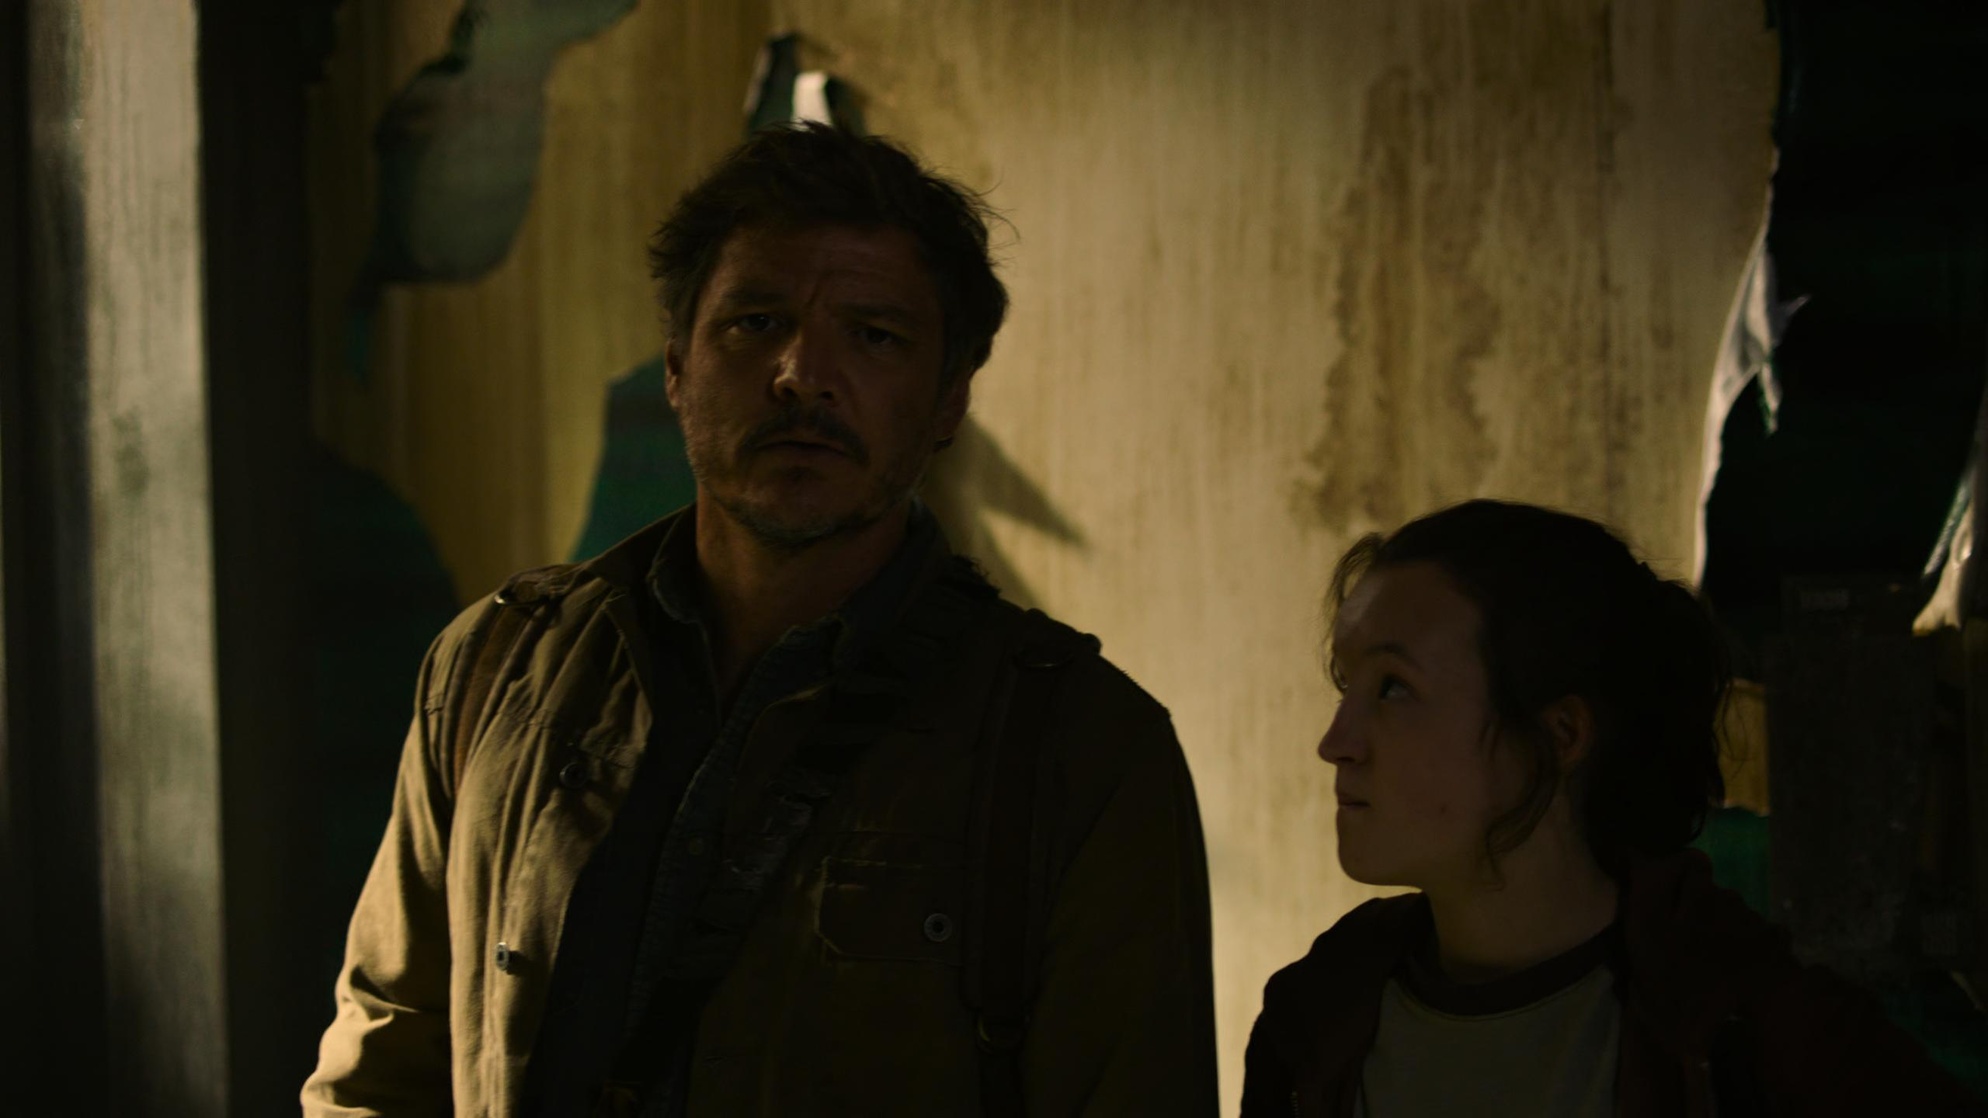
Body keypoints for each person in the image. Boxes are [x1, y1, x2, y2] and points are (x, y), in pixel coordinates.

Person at [303, 123, 1217, 1118]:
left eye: (873, 335)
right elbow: (386, 1051)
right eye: (753, 322)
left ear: (948, 400)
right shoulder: (500, 664)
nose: (800, 374)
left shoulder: (1079, 747)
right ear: (675, 365)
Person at [1240, 500, 1982, 1116]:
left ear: (1560, 734)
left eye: (1394, 688)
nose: (1336, 743)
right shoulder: (1316, 1018)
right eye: (1347, 687)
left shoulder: (1746, 1027)